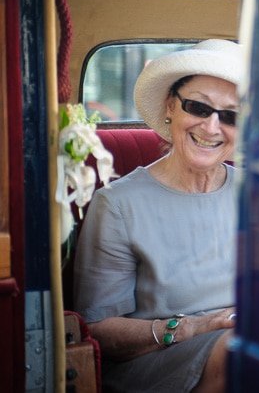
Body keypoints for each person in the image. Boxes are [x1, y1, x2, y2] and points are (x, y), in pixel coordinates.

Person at [73, 39, 244, 393]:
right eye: (198, 107)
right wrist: (192, 328)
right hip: (158, 359)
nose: (212, 127)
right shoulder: (118, 204)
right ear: (171, 106)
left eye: (231, 115)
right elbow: (98, 330)